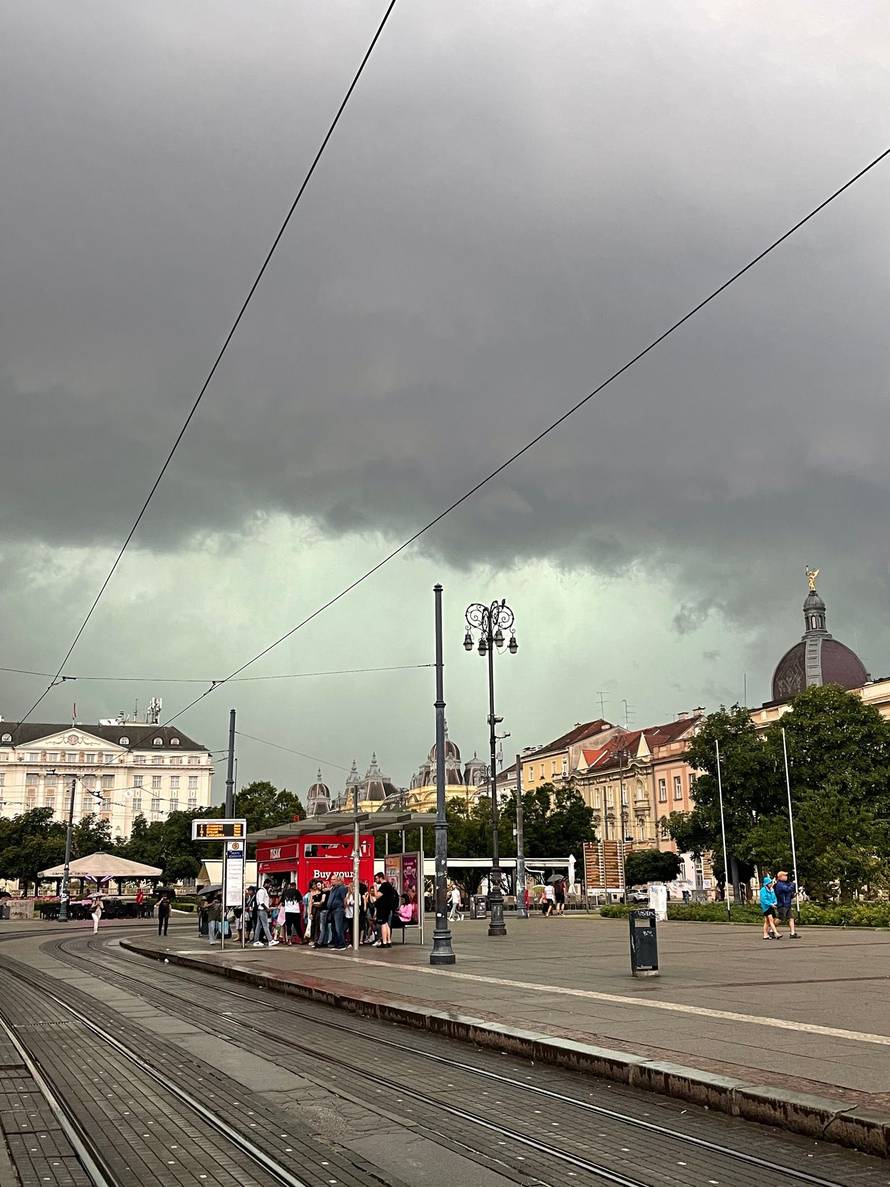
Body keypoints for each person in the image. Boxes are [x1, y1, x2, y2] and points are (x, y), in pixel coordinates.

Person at [371, 872, 398, 949]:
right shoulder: (388, 885)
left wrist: (375, 887)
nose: (376, 880)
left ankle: (384, 942)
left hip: (383, 907)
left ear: (380, 878)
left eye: (376, 878)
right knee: (386, 924)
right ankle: (388, 941)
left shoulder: (384, 885)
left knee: (383, 924)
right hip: (388, 907)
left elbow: (377, 895)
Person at [775, 870, 800, 939]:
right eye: (784, 875)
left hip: (787, 904)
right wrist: (793, 884)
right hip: (782, 904)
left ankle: (792, 933)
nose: (786, 877)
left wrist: (793, 895)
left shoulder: (784, 884)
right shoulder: (779, 884)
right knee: (780, 919)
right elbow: (787, 890)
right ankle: (772, 930)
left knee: (791, 918)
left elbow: (788, 894)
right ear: (780, 877)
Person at [252, 881, 278, 947]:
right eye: (269, 884)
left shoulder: (264, 891)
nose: (270, 886)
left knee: (258, 926)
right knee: (265, 925)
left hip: (261, 910)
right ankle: (270, 940)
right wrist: (267, 909)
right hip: (262, 910)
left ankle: (256, 941)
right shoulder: (261, 891)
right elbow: (261, 902)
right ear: (266, 884)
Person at [327, 876, 348, 949]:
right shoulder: (333, 888)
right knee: (333, 928)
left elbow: (344, 899)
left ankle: (341, 944)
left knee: (338, 928)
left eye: (333, 879)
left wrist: (344, 909)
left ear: (338, 880)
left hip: (338, 910)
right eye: (331, 879)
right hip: (332, 910)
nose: (331, 881)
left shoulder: (341, 888)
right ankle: (336, 944)